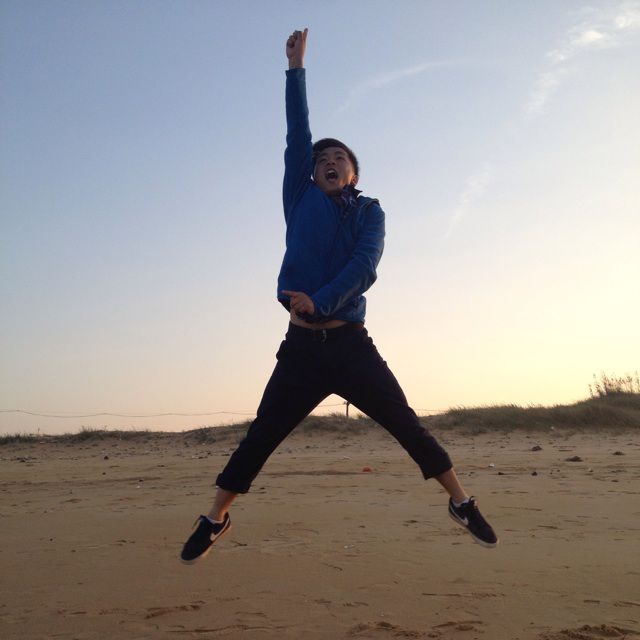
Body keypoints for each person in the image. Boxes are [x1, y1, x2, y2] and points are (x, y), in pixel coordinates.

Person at [180, 28, 497, 564]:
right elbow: (297, 131)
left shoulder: (371, 212)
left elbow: (364, 267)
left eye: (339, 157)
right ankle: (216, 518)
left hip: (351, 345)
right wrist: (295, 70)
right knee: (262, 436)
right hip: (301, 350)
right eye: (321, 157)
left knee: (406, 424)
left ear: (352, 172)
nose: (328, 160)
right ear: (310, 171)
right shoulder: (299, 197)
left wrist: (320, 301)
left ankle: (461, 502)